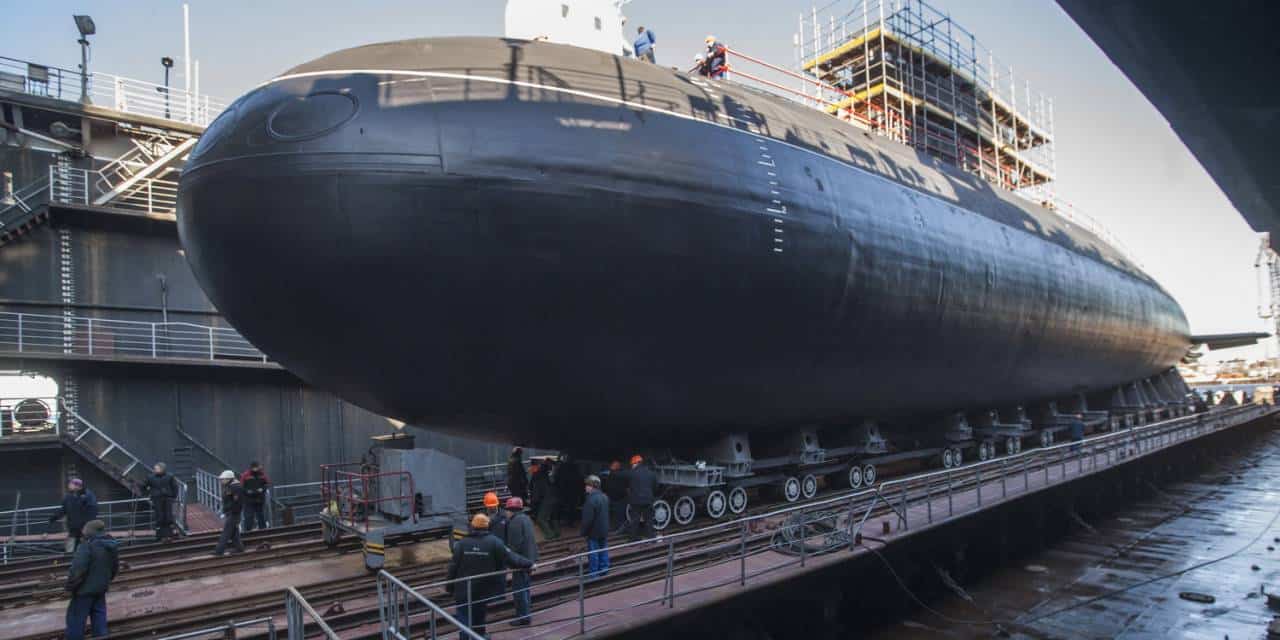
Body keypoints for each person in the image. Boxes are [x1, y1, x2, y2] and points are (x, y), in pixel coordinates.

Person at [446, 512, 533, 637]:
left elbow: (453, 567)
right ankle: (480, 636)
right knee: (479, 615)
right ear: (487, 526)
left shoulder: (462, 543)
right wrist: (529, 564)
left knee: (464, 616)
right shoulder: (495, 542)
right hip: (482, 589)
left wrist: (449, 587)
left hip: (463, 590)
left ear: (473, 526)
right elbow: (512, 558)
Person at [64, 519, 118, 640]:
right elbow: (115, 567)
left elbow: (78, 570)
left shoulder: (86, 546)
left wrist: (69, 587)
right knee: (99, 615)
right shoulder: (111, 545)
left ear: (89, 532)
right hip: (101, 588)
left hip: (84, 591)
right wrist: (106, 581)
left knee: (76, 618)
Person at [503, 497, 537, 627]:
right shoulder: (526, 519)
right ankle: (526, 613)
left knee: (519, 590)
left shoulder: (515, 522)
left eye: (507, 510)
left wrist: (511, 562)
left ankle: (523, 617)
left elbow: (514, 546)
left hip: (521, 562)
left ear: (511, 510)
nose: (506, 512)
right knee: (526, 588)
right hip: (529, 559)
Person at [50, 478, 97, 553]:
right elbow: (63, 510)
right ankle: (69, 560)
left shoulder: (88, 496)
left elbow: (92, 511)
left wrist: (88, 524)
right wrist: (54, 517)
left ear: (77, 486)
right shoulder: (68, 497)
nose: (68, 485)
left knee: (84, 546)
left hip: (84, 527)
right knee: (71, 547)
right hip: (73, 527)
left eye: (70, 484)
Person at [580, 475, 610, 578]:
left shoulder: (590, 500)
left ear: (591, 486)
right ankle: (604, 569)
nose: (585, 487)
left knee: (593, 554)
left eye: (587, 485)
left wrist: (583, 532)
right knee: (603, 550)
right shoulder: (605, 497)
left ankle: (594, 574)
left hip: (593, 533)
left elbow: (587, 520)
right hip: (604, 531)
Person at [142, 462, 180, 542]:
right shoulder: (150, 477)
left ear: (162, 469)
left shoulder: (170, 476)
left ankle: (170, 535)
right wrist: (148, 494)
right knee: (160, 517)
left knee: (168, 517)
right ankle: (160, 536)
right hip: (157, 499)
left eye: (156, 468)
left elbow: (175, 487)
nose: (154, 469)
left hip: (167, 498)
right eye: (155, 468)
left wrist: (173, 496)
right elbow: (143, 486)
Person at [625, 455, 660, 540]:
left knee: (635, 520)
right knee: (649, 519)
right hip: (648, 500)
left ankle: (633, 538)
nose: (631, 466)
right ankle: (650, 536)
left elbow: (627, 486)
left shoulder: (631, 473)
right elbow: (656, 487)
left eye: (632, 464)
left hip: (635, 501)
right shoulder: (651, 473)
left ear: (636, 463)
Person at [213, 470, 245, 556]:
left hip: (233, 513)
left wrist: (232, 512)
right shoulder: (229, 486)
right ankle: (239, 548)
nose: (221, 481)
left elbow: (237, 502)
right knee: (234, 532)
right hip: (230, 512)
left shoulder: (236, 487)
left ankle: (219, 551)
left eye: (223, 479)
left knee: (226, 532)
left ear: (229, 479)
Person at [530, 459, 560, 540]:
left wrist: (533, 503)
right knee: (553, 517)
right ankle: (557, 533)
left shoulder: (537, 477)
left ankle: (550, 534)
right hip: (555, 497)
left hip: (547, 500)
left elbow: (536, 493)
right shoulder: (547, 475)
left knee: (541, 519)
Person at [240, 461, 271, 532]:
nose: (256, 469)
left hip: (259, 498)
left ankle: (263, 529)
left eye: (257, 467)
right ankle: (248, 530)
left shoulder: (262, 474)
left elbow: (266, 484)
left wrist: (262, 489)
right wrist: (247, 491)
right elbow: (242, 486)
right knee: (249, 515)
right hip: (249, 499)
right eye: (255, 467)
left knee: (260, 514)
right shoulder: (245, 475)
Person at [602, 460, 628, 533]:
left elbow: (607, 485)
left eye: (613, 465)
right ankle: (618, 528)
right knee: (618, 514)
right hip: (617, 497)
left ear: (616, 466)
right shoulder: (620, 474)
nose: (611, 467)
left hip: (617, 497)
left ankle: (619, 528)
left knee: (617, 514)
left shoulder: (612, 474)